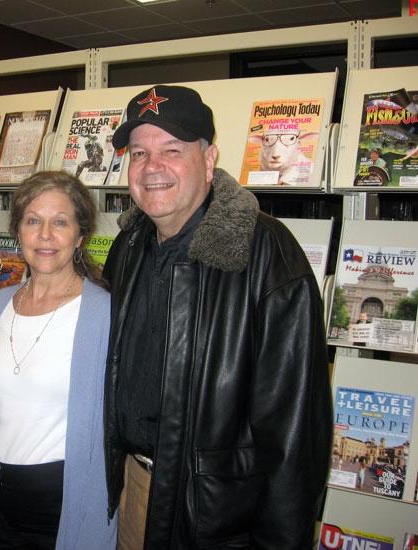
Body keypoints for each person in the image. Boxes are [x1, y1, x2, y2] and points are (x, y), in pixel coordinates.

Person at [102, 85, 332, 549]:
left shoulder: (268, 256)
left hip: (215, 518)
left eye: (172, 150)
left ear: (209, 161)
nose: (153, 168)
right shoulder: (128, 246)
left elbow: (295, 434)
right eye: (140, 153)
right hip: (131, 491)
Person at [0, 171, 116, 549]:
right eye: (33, 221)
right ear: (18, 232)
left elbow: (109, 436)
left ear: (79, 236)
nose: (45, 235)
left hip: (60, 503)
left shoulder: (102, 314)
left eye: (60, 222)